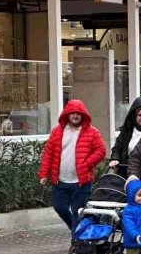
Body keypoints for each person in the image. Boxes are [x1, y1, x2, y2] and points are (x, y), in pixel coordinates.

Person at [38, 99, 107, 232]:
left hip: (81, 182)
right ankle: (77, 230)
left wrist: (86, 164)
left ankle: (76, 241)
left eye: (78, 113)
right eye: (72, 113)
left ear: (83, 115)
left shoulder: (92, 132)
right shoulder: (57, 132)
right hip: (60, 181)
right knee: (59, 207)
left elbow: (101, 150)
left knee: (77, 211)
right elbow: (48, 153)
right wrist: (44, 174)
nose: (75, 116)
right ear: (67, 114)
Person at [109, 97, 141, 177]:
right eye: (140, 115)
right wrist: (115, 159)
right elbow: (117, 148)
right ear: (135, 116)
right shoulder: (127, 130)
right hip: (126, 172)